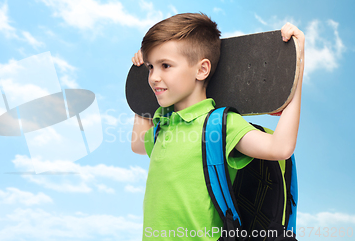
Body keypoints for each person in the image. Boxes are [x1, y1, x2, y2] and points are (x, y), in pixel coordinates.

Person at [130, 13, 304, 240]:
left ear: (202, 70)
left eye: (165, 65)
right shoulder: (164, 126)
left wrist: (296, 70)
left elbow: (279, 148)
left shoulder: (220, 125)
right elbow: (137, 144)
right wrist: (138, 82)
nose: (153, 77)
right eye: (151, 67)